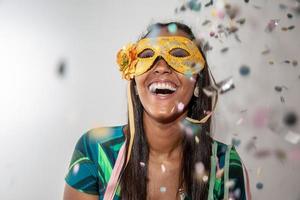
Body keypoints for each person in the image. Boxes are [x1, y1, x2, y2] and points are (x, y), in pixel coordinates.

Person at [63, 22, 251, 200]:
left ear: (196, 83)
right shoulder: (94, 151)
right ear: (135, 82)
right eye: (147, 55)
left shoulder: (225, 166)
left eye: (179, 54)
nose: (161, 67)